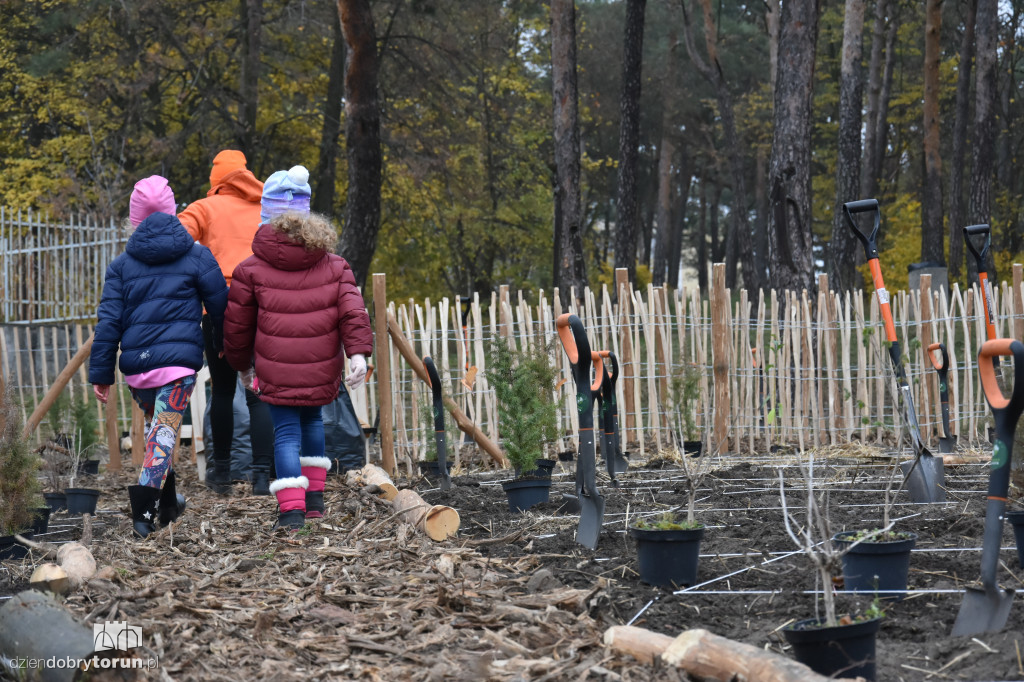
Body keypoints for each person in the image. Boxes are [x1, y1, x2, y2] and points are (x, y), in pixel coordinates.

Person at [223, 165, 372, 529]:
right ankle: (316, 501)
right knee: (313, 423)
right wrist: (357, 354)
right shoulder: (336, 265)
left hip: (275, 368)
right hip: (321, 365)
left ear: (266, 218)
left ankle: (291, 512)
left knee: (286, 433)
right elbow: (353, 312)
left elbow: (238, 326)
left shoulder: (249, 269)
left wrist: (243, 365)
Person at [89, 176, 228, 538]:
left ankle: (169, 505)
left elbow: (108, 323)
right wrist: (227, 344)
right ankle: (144, 514)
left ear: (134, 220)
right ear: (174, 212)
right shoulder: (197, 255)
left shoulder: (121, 266)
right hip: (178, 367)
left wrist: (101, 373)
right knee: (163, 435)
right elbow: (220, 307)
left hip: (140, 369)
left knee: (157, 432)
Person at [178, 150, 275, 496]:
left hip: (219, 309)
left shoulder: (203, 208)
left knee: (221, 391)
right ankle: (263, 477)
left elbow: (175, 239)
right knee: (259, 393)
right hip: (262, 307)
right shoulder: (267, 205)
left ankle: (220, 476)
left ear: (215, 178)